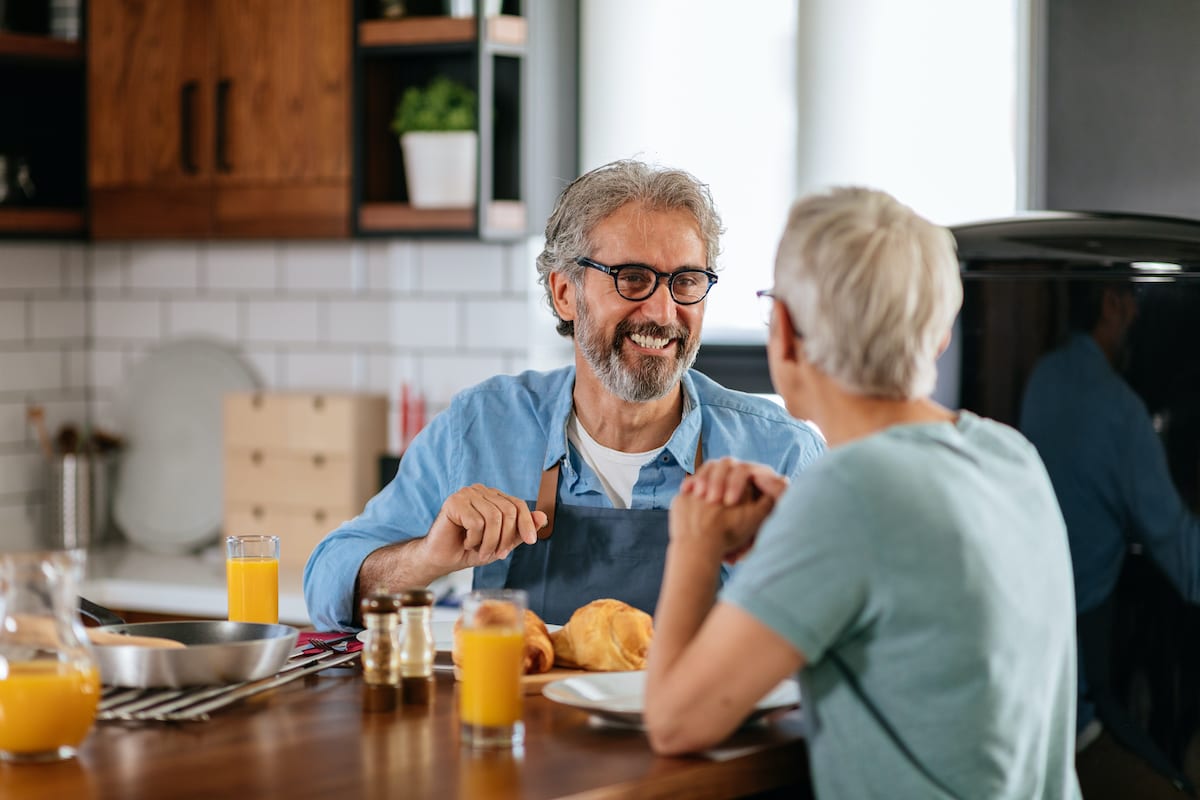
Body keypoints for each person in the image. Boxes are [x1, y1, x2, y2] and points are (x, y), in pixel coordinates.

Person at [644, 187, 1081, 799]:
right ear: (939, 334)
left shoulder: (849, 493)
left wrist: (693, 539)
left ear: (787, 331)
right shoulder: (1010, 456)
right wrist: (795, 521)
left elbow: (674, 722)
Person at [303, 159, 825, 630]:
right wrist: (426, 559)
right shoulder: (481, 426)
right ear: (563, 293)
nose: (664, 314)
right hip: (520, 734)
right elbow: (326, 585)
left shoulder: (780, 453)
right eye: (633, 279)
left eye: (685, 282)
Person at [1020, 281, 1200, 796]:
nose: (1139, 313)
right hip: (1080, 697)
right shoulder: (1119, 409)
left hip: (1036, 664)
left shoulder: (1043, 377)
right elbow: (1188, 563)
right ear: (1110, 304)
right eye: (1131, 300)